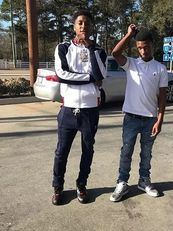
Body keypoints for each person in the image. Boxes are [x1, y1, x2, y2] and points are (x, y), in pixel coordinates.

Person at [52, 9, 107, 205]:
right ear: (74, 26)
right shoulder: (63, 48)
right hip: (68, 110)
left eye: (87, 23)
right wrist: (90, 78)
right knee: (61, 152)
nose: (84, 26)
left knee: (88, 150)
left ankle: (81, 185)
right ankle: (58, 188)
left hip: (90, 111)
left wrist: (91, 51)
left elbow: (101, 75)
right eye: (80, 22)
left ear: (92, 27)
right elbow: (62, 74)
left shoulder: (99, 50)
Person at [110, 24, 168, 202]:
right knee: (126, 151)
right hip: (131, 118)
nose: (143, 50)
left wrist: (160, 120)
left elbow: (162, 99)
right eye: (140, 47)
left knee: (146, 153)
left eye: (146, 46)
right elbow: (115, 54)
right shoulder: (131, 64)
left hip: (150, 119)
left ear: (152, 45)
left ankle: (144, 181)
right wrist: (129, 35)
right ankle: (122, 182)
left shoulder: (160, 69)